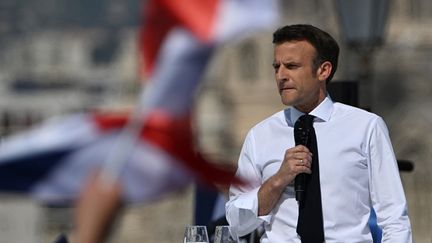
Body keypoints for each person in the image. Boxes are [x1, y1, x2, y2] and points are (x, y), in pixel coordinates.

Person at [225, 24, 412, 242]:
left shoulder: (366, 127)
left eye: (292, 66)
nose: (281, 76)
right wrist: (277, 180)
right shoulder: (260, 135)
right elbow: (236, 222)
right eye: (277, 67)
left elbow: (394, 218)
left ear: (323, 70)